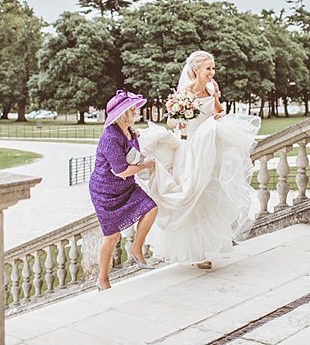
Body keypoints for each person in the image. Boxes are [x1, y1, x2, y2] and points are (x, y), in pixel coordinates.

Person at [138, 50, 260, 269]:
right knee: (192, 196)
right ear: (196, 70)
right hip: (190, 148)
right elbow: (172, 124)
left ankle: (207, 246)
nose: (212, 72)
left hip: (209, 146)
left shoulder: (212, 88)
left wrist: (218, 116)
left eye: (213, 68)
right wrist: (181, 118)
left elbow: (219, 110)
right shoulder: (184, 93)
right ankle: (196, 254)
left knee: (209, 193)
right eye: (208, 68)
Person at [88, 90, 158, 290]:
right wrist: (147, 165)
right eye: (132, 109)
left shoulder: (128, 130)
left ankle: (136, 249)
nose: (136, 111)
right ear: (123, 113)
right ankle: (103, 279)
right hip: (105, 192)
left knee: (151, 208)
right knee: (112, 237)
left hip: (127, 187)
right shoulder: (110, 137)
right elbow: (122, 171)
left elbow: (132, 155)